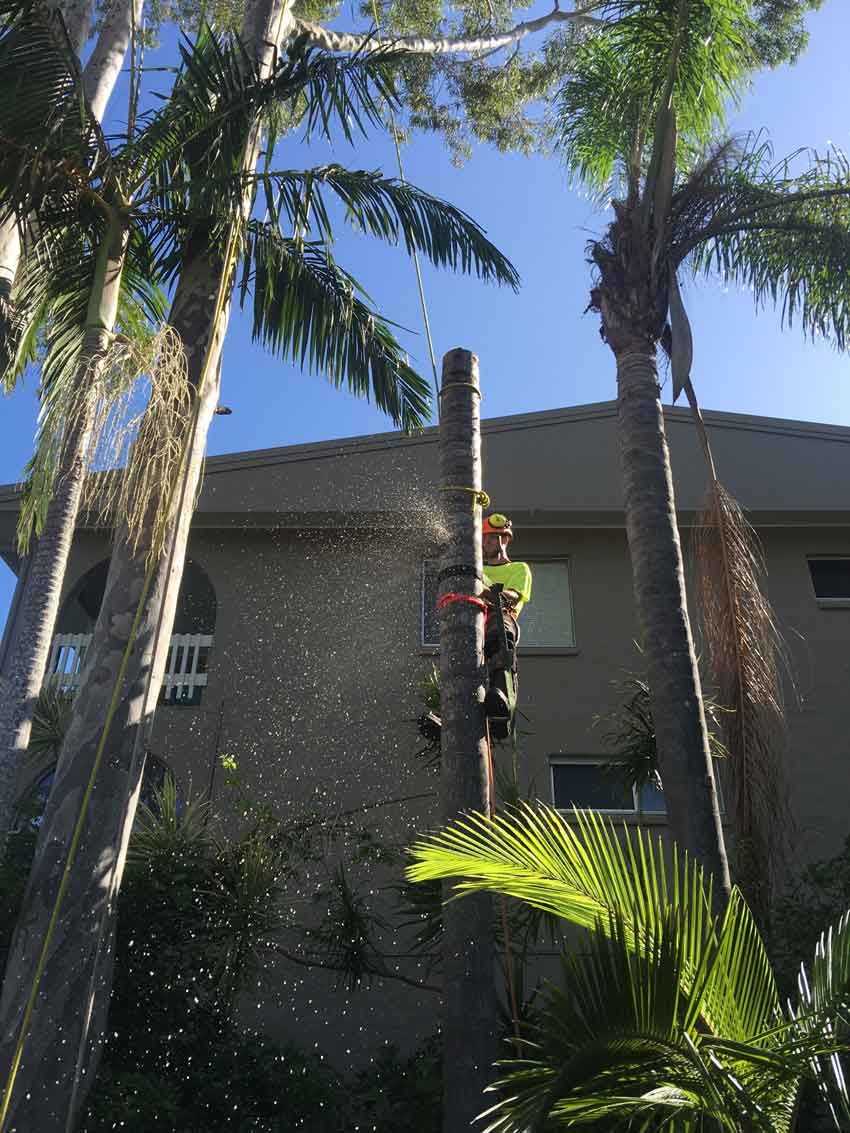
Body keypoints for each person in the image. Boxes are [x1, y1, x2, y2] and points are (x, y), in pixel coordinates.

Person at [480, 513, 532, 738]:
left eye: (495, 537)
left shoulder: (519, 569)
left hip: (501, 618)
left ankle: (501, 696)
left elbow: (512, 596)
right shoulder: (477, 569)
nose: (490, 542)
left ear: (506, 540)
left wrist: (485, 591)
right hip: (474, 624)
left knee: (499, 634)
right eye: (487, 538)